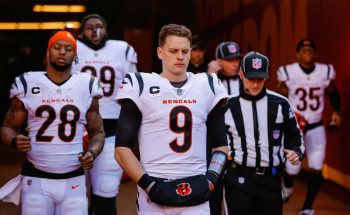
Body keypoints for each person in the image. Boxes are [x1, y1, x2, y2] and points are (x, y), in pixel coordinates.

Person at [114, 24, 228, 215]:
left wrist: (211, 179)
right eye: (173, 51)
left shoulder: (208, 84)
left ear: (190, 53)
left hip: (196, 186)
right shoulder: (140, 85)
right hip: (155, 186)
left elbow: (220, 146)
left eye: (185, 51)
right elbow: (121, 149)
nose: (180, 56)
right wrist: (149, 185)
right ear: (160, 52)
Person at [0, 31, 105, 215]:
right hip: (36, 178)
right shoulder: (27, 83)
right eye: (57, 47)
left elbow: (98, 132)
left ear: (75, 55)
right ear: (48, 53)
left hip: (74, 178)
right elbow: (8, 127)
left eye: (68, 48)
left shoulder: (86, 85)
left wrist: (92, 152)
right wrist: (15, 141)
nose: (62, 52)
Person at [72, 14, 138, 215]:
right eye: (90, 27)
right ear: (82, 31)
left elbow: (134, 89)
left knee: (107, 187)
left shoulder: (122, 49)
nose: (95, 30)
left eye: (99, 26)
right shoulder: (70, 47)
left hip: (111, 127)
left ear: (107, 29)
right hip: (77, 128)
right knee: (74, 196)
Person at [223, 51, 304, 215]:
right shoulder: (227, 106)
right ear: (241, 74)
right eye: (250, 78)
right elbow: (213, 140)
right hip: (238, 179)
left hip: (270, 180)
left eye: (259, 78)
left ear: (266, 77)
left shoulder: (280, 103)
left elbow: (294, 134)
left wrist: (296, 151)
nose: (255, 84)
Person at [277, 39, 342, 215]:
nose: (307, 53)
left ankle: (307, 207)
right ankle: (288, 184)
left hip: (315, 125)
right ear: (297, 53)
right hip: (295, 126)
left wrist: (336, 111)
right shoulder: (288, 72)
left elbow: (332, 92)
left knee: (316, 165)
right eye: (303, 50)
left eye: (311, 49)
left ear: (315, 53)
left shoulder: (324, 72)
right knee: (292, 168)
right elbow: (279, 97)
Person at [207, 41, 242, 215]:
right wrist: (210, 75)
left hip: (239, 148)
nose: (235, 63)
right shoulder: (207, 79)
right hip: (214, 147)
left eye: (237, 59)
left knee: (235, 198)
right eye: (230, 60)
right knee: (213, 196)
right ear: (217, 61)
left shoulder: (247, 80)